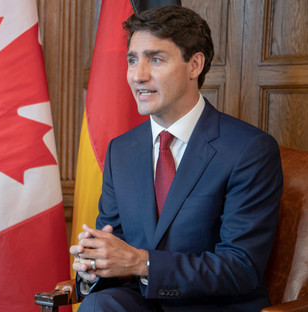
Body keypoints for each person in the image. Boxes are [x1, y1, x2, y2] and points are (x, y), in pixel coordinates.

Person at [70, 5, 283, 311]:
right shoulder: (121, 151)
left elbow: (241, 267)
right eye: (133, 60)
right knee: (100, 304)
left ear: (194, 64)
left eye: (155, 59)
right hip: (137, 303)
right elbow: (112, 242)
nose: (138, 76)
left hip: (210, 306)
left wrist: (142, 262)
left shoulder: (249, 150)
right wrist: (94, 267)